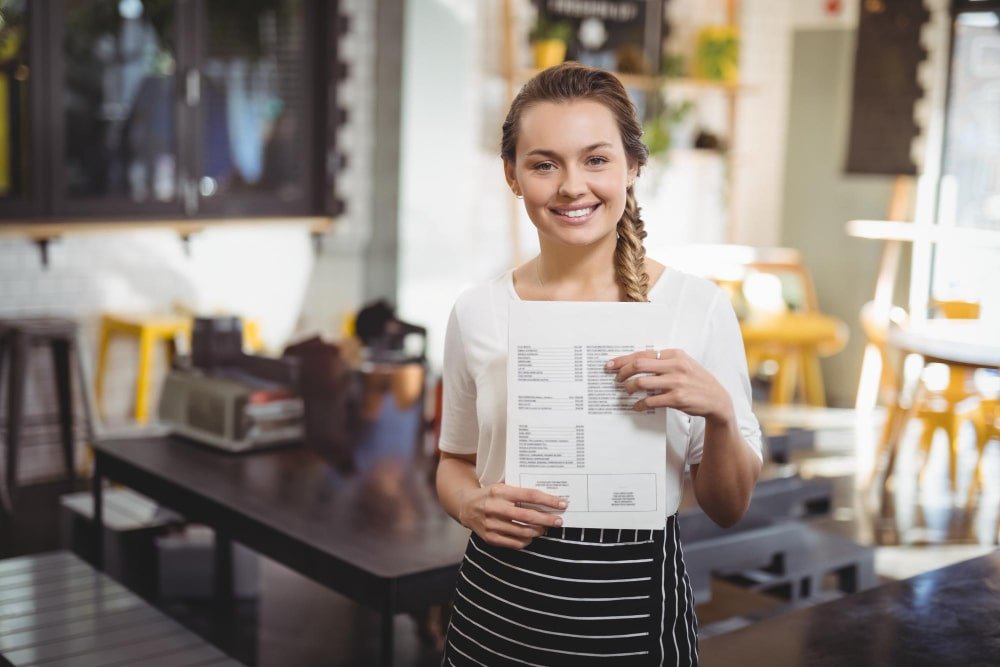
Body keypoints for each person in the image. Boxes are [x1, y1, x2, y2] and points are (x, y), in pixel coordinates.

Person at [435, 62, 763, 666]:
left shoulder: (697, 307)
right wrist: (468, 504)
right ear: (512, 175)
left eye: (595, 159)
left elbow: (729, 506)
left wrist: (718, 411)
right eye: (543, 163)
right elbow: (453, 460)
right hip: (497, 609)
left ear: (632, 167)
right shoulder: (478, 311)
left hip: (636, 614)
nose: (571, 186)